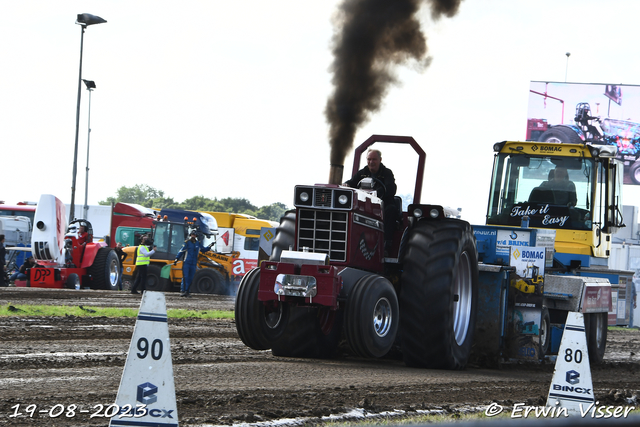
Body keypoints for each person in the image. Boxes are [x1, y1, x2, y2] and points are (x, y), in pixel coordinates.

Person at [344, 148, 398, 255]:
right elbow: (351, 182)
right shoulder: (363, 173)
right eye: (369, 159)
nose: (371, 162)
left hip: (383, 204)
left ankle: (386, 244)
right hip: (366, 206)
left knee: (391, 210)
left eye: (374, 159)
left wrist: (376, 193)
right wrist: (346, 185)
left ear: (380, 160)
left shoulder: (387, 173)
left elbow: (391, 188)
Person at [174, 230, 211, 297]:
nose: (193, 236)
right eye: (192, 235)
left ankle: (188, 291)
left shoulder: (197, 243)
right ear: (190, 235)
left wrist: (209, 247)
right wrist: (177, 258)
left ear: (196, 236)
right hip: (187, 262)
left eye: (194, 235)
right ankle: (183, 290)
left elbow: (203, 250)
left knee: (191, 278)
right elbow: (181, 251)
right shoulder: (187, 243)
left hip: (193, 263)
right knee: (186, 277)